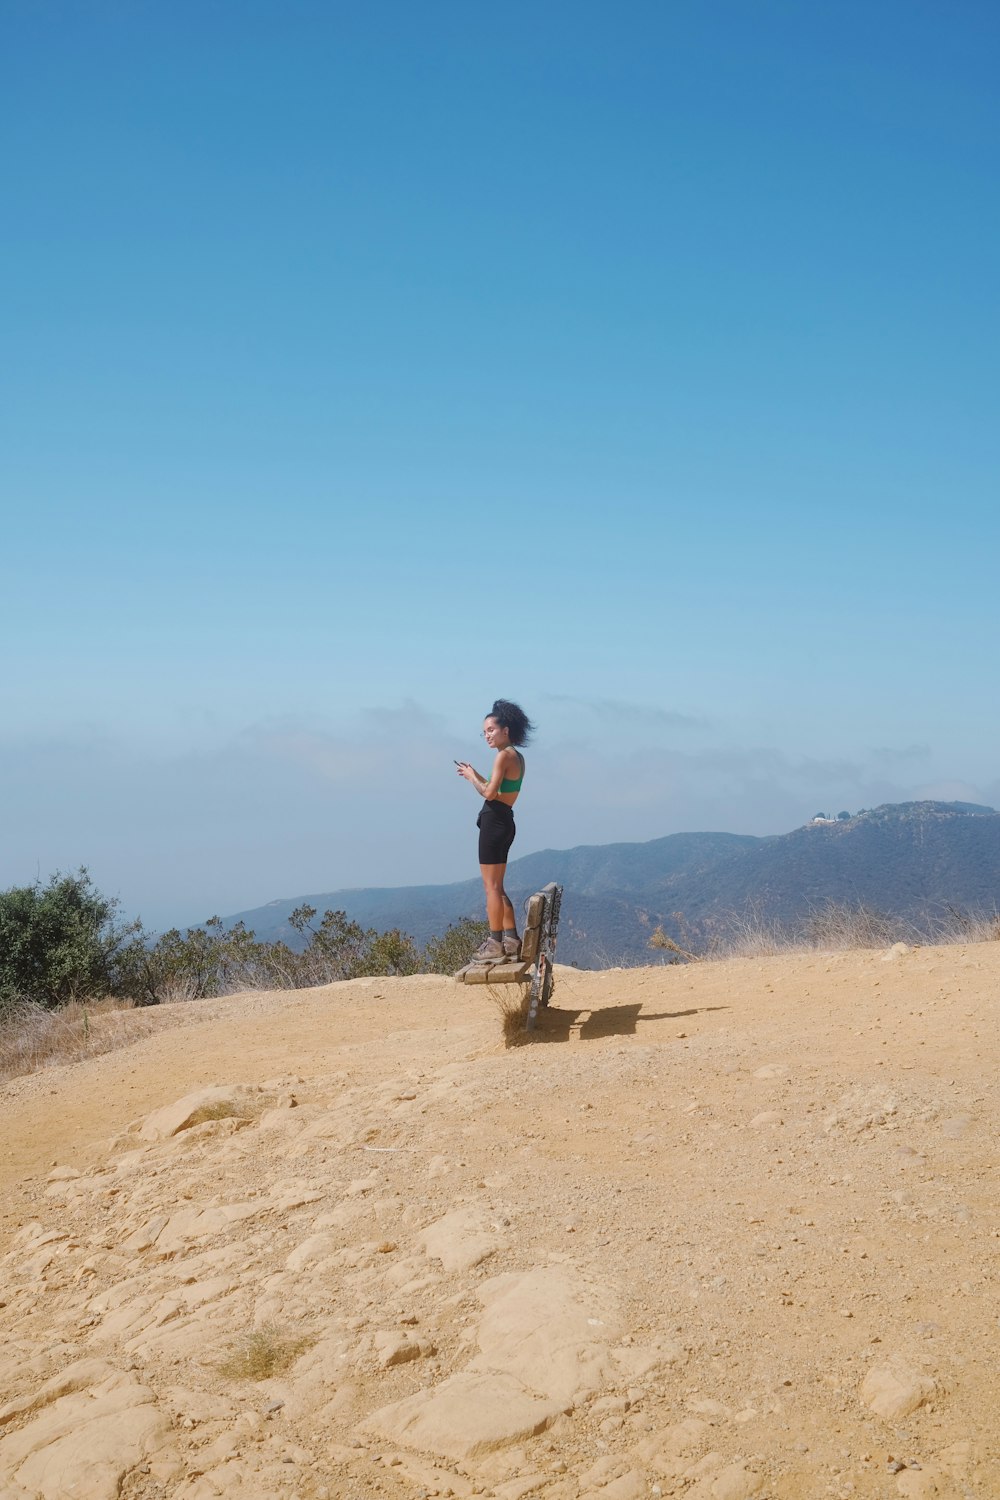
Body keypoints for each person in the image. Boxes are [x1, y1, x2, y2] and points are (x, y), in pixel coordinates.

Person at [456, 698, 534, 960]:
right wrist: (475, 773)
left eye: (491, 730)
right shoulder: (516, 756)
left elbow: (489, 794)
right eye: (484, 732)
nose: (487, 735)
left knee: (490, 887)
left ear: (505, 730)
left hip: (493, 823)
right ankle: (511, 939)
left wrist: (471, 779)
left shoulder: (502, 756)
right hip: (506, 821)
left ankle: (494, 943)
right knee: (498, 886)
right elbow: (499, 791)